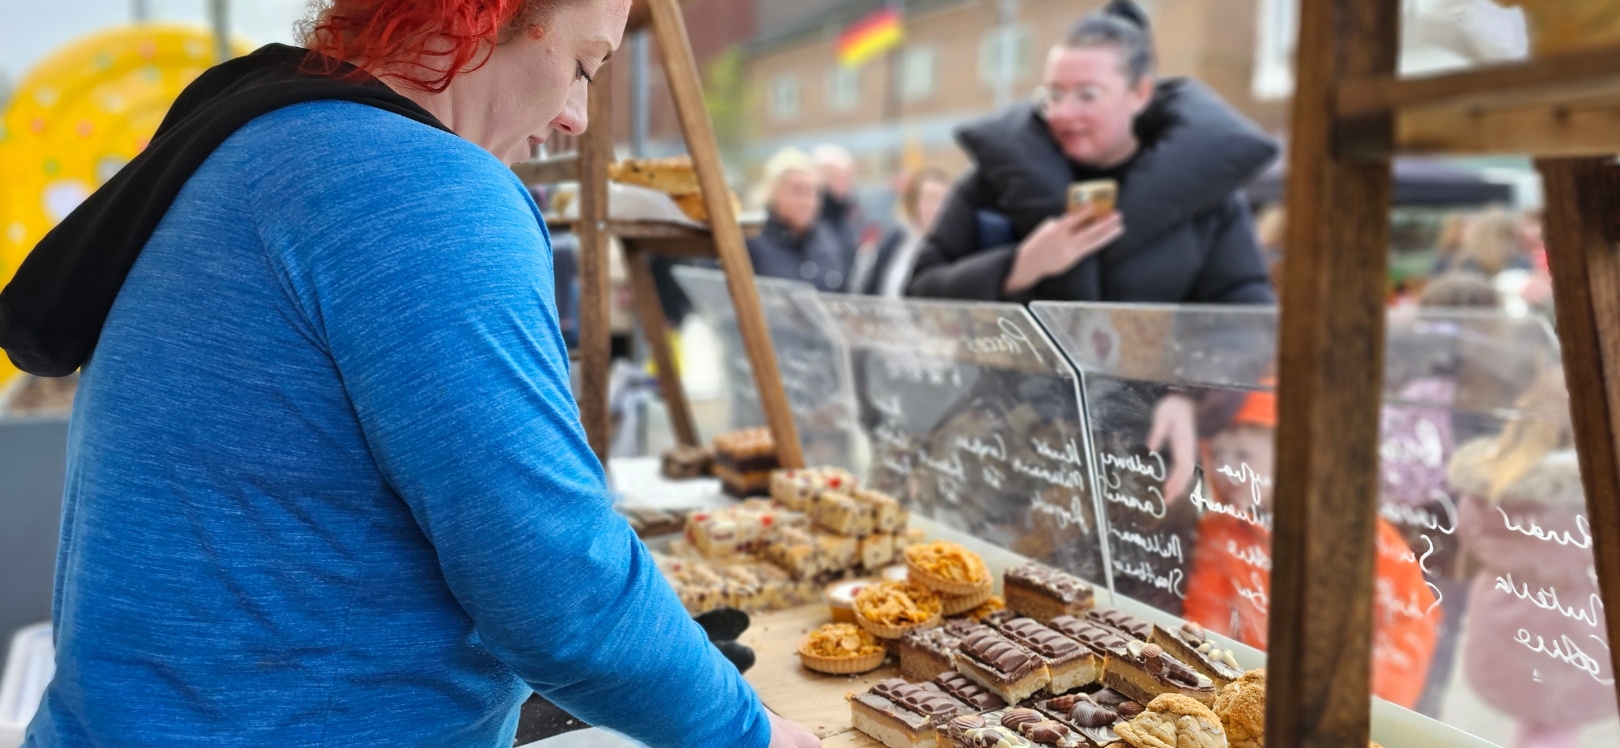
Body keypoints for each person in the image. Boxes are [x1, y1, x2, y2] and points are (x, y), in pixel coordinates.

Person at [5, 0, 819, 746]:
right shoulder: (424, 187)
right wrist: (760, 734)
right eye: (582, 66)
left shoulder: (258, 139)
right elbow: (559, 595)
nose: (575, 116)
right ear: (490, 15)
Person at [907, 0, 1277, 304]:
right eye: (1054, 94)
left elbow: (1243, 315)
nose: (1065, 113)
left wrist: (1193, 396)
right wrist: (1019, 265)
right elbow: (919, 290)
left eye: (1087, 95)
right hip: (1014, 395)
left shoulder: (1207, 186)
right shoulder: (995, 178)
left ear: (1140, 94)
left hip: (1159, 397)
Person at [1180, 389, 1440, 709]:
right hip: (1251, 700)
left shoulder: (1362, 534)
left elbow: (1410, 621)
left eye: (1244, 456)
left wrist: (1359, 701)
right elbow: (1207, 620)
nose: (1226, 469)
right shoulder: (1218, 533)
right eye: (1218, 455)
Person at [747, 147, 850, 292]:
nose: (806, 202)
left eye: (811, 192)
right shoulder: (752, 240)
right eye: (797, 191)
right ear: (773, 192)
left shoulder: (830, 240)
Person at [849, 166, 952, 297]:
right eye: (930, 198)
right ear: (914, 202)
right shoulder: (895, 240)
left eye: (943, 199)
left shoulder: (957, 245)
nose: (937, 208)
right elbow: (870, 288)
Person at [812, 143, 864, 269]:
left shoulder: (853, 211)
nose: (843, 181)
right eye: (833, 175)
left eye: (846, 175)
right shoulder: (812, 216)